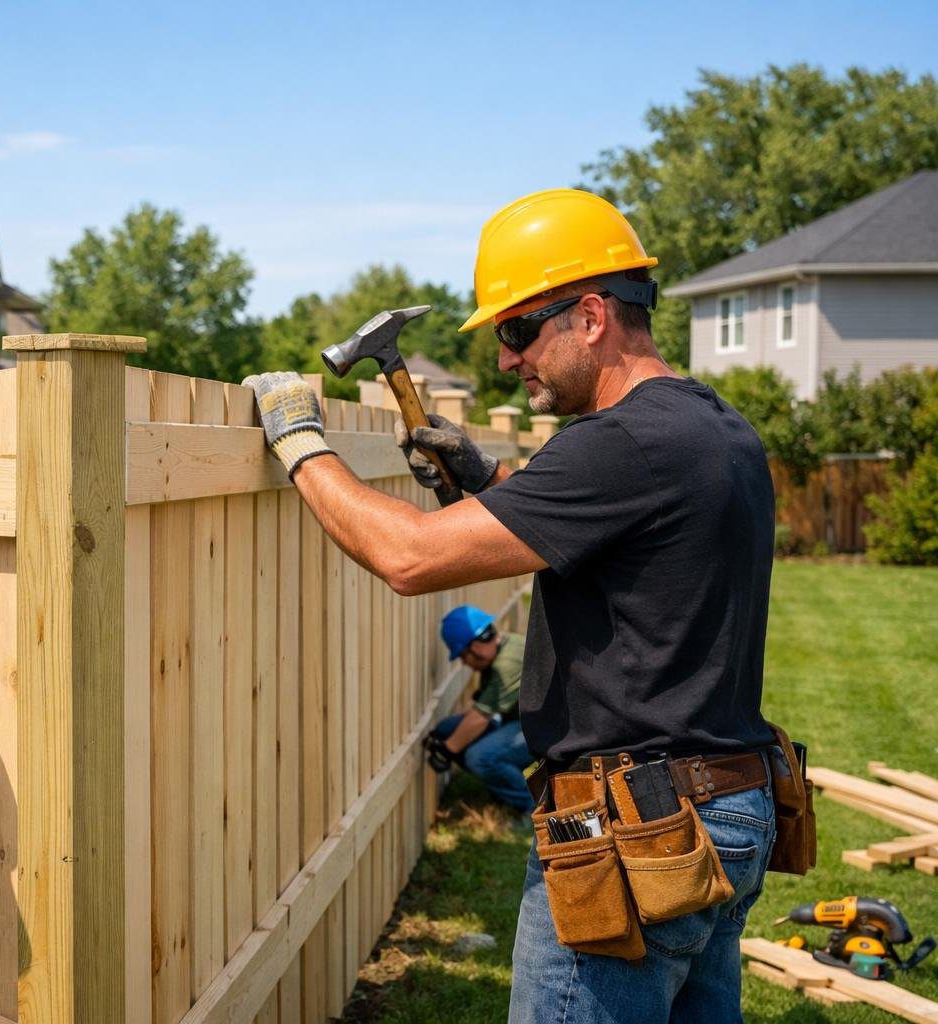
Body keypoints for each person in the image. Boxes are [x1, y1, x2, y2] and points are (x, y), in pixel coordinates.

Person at [243, 188, 779, 1023]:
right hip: (726, 808)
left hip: (631, 834)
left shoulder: (620, 444)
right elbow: (626, 555)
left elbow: (408, 556)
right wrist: (487, 483)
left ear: (592, 316)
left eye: (519, 330)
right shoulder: (717, 428)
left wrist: (299, 442)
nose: (505, 359)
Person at [426, 606, 533, 814]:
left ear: (475, 646)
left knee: (479, 756)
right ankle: (504, 790)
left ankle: (533, 807)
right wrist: (445, 740)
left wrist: (445, 750)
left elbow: (480, 717)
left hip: (544, 729)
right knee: (448, 729)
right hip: (518, 720)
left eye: (463, 655)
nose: (464, 662)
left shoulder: (507, 663)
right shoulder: (500, 650)